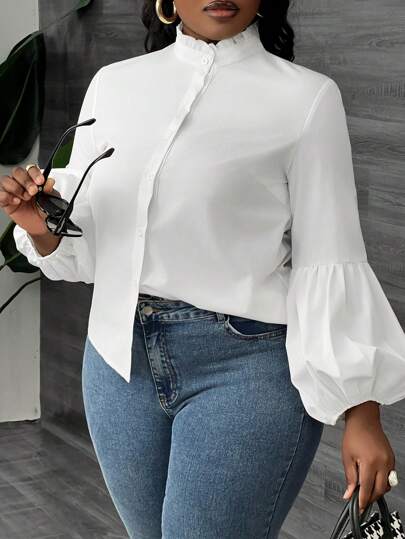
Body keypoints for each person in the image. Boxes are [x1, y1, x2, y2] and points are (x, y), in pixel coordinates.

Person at [2, 0, 404, 537]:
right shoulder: (114, 86)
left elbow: (331, 255)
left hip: (246, 368)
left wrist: (362, 410)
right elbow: (91, 244)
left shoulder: (306, 97)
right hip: (118, 364)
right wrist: (40, 226)